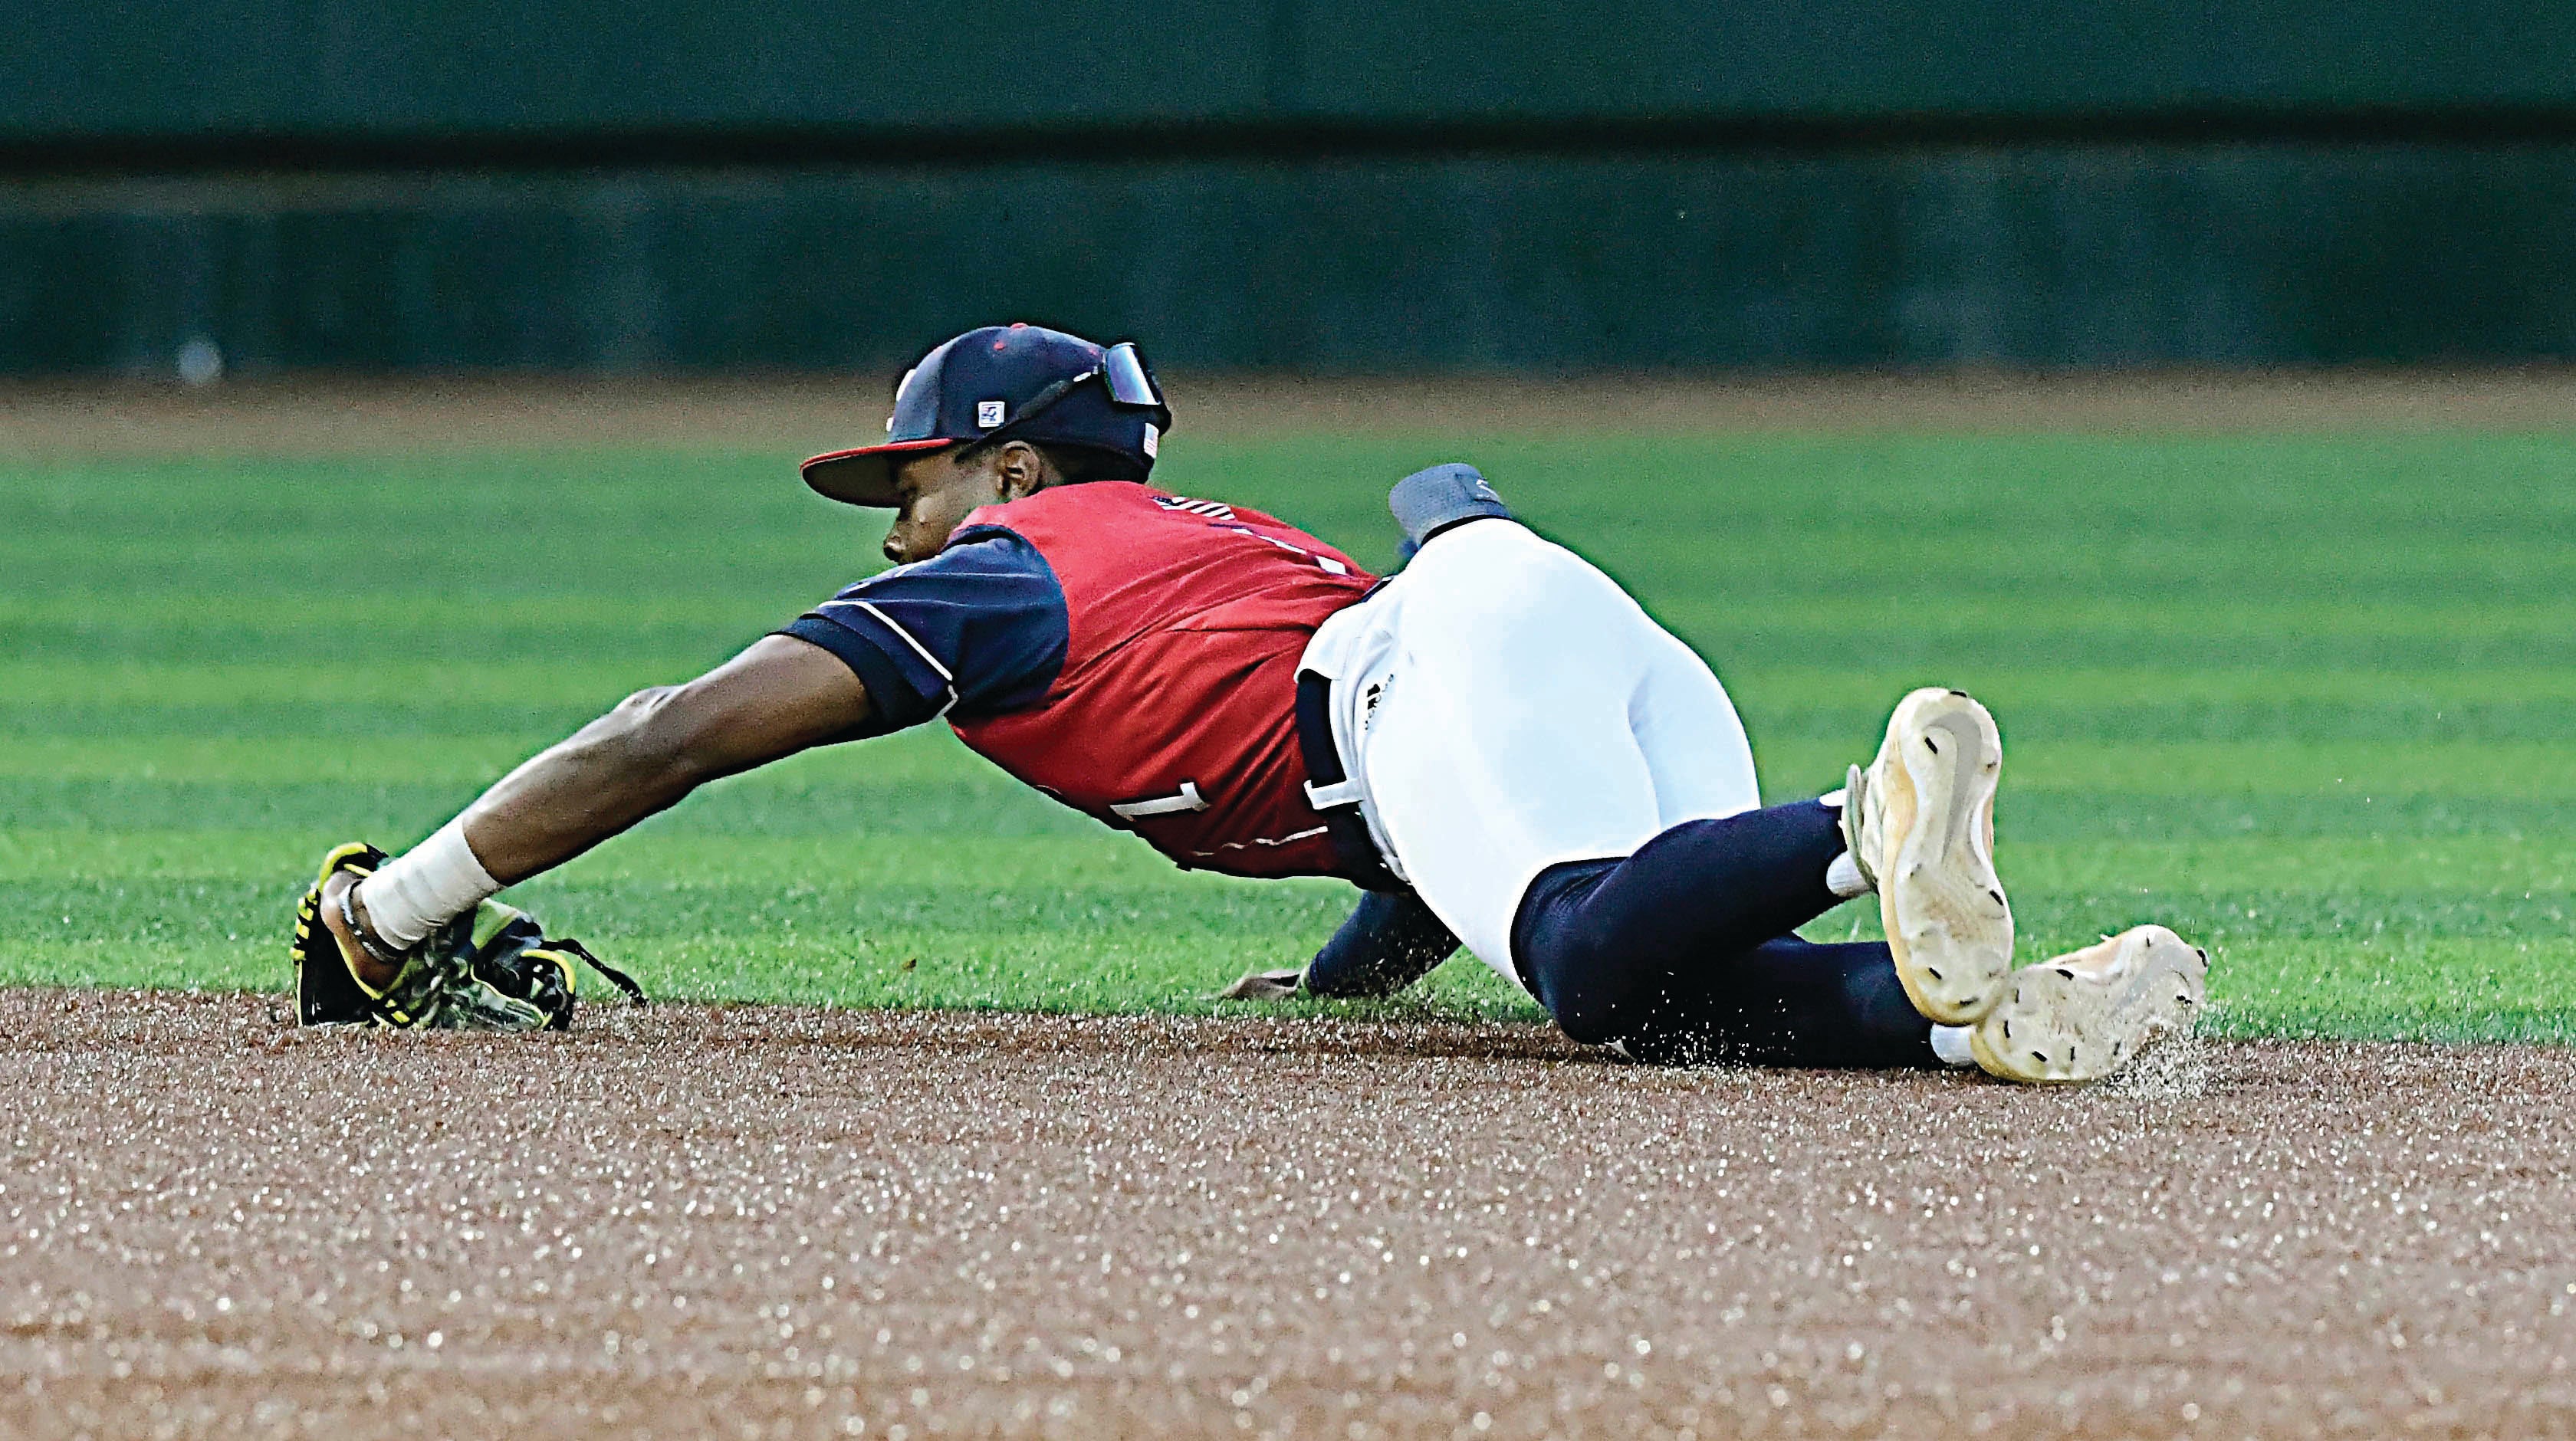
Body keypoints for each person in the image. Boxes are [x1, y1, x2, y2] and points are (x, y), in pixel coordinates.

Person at [291, 323, 2205, 1082]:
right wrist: (1358, 967)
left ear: (1015, 474)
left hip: (1427, 658)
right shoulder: (1201, 540)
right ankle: (2001, 1017)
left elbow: (670, 727)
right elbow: (1422, 786)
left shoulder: (1005, 578)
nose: (900, 523)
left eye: (916, 478)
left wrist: (404, 903)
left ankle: (1864, 827)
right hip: (1557, 628)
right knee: (1671, 996)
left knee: (1593, 973)